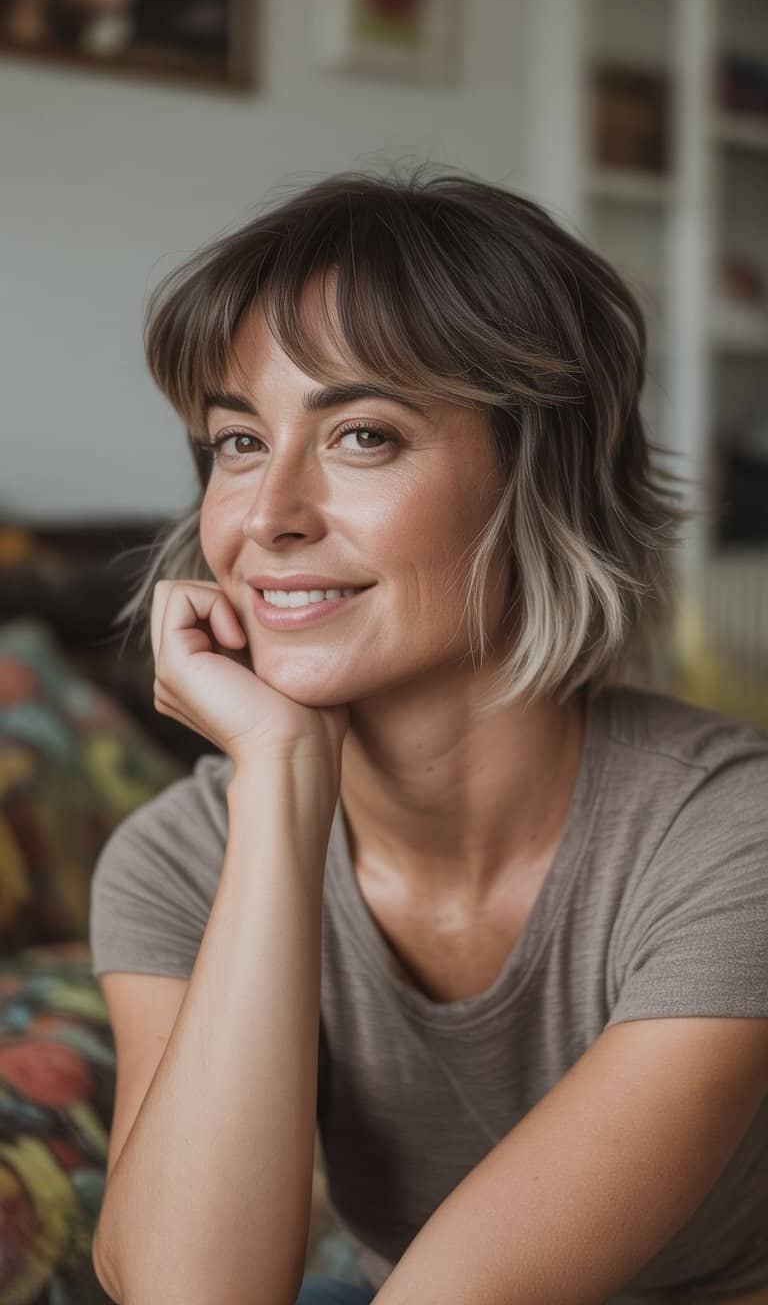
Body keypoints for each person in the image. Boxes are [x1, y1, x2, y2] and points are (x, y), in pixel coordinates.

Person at [88, 164, 768, 1305]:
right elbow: (183, 1291)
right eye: (238, 443)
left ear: (538, 481)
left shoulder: (731, 838)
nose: (266, 517)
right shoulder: (173, 860)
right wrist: (282, 785)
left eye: (362, 436)